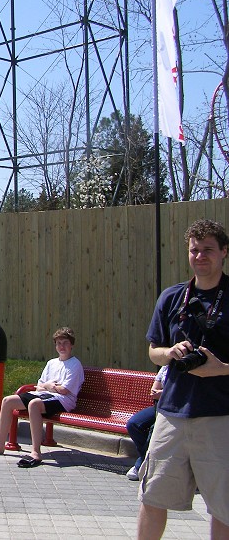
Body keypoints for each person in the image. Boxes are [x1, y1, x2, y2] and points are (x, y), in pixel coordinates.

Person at [138, 219, 229, 539]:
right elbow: (153, 351)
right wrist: (171, 353)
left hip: (220, 416)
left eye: (208, 250)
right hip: (172, 412)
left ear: (224, 253)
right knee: (152, 496)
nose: (200, 256)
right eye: (194, 250)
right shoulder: (172, 297)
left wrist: (221, 368)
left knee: (223, 506)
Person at [0, 327, 84, 468]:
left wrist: (49, 387)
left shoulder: (75, 364)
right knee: (8, 401)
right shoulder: (51, 363)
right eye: (58, 343)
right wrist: (50, 385)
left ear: (71, 345)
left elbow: (64, 390)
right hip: (44, 395)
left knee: (34, 404)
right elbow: (39, 386)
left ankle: (35, 452)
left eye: (65, 343)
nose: (62, 346)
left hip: (63, 401)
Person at [125, 365, 168, 481]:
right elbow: (154, 390)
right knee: (133, 424)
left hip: (173, 408)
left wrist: (164, 394)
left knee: (154, 429)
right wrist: (162, 393)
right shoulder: (165, 368)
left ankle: (141, 464)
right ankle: (146, 459)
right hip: (158, 405)